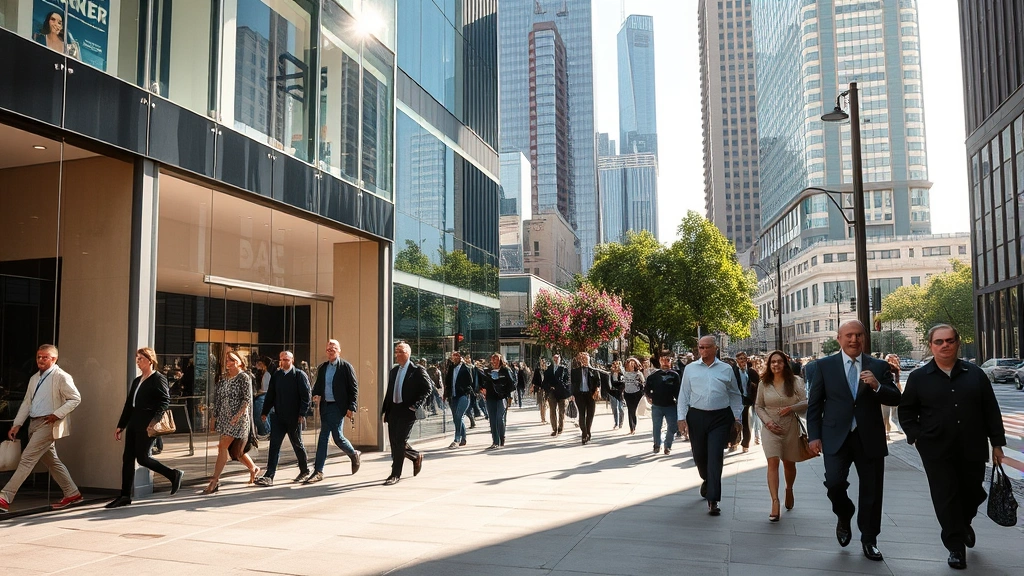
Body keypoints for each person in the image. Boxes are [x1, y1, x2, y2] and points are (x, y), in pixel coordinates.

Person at [898, 324, 1006, 570]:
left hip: (973, 446)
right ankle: (955, 546)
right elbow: (906, 411)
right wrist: (917, 436)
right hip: (935, 449)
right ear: (931, 346)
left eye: (949, 340)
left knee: (972, 492)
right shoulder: (918, 377)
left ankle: (964, 522)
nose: (944, 345)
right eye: (939, 342)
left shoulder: (975, 374)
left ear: (957, 342)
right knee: (945, 496)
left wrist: (997, 443)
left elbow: (990, 410)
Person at [806, 320, 901, 562]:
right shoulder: (824, 366)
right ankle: (844, 513)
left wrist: (877, 386)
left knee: (872, 491)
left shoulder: (878, 367)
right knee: (834, 483)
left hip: (869, 438)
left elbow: (896, 398)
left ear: (864, 338)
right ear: (839, 338)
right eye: (849, 335)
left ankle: (869, 540)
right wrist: (813, 436)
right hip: (835, 437)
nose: (854, 340)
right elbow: (815, 404)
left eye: (858, 335)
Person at [0, 345, 83, 513]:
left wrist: (57, 414)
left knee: (27, 459)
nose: (41, 360)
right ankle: (72, 493)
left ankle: (5, 497)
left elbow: (75, 398)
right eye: (39, 357)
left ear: (54, 359)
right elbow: (27, 403)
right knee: (53, 462)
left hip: (48, 424)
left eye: (45, 357)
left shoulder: (61, 376)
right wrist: (17, 424)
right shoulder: (34, 378)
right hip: (34, 423)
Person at [108, 348, 185, 508]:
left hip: (148, 424)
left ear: (150, 360)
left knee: (142, 458)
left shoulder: (158, 378)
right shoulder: (137, 380)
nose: (138, 361)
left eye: (141, 358)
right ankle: (124, 496)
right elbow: (129, 404)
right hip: (134, 422)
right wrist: (121, 425)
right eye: (137, 358)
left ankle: (173, 474)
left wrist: (155, 420)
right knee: (127, 458)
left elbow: (164, 400)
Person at [677, 336, 742, 516]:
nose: (703, 351)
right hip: (697, 416)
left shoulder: (726, 369)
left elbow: (735, 395)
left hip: (720, 417)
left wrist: (737, 418)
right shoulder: (690, 369)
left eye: (707, 348)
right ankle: (707, 479)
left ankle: (713, 499)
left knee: (715, 456)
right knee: (699, 456)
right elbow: (683, 395)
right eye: (701, 348)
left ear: (715, 349)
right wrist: (681, 418)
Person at [755, 350, 809, 521]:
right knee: (772, 462)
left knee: (789, 463)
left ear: (785, 364)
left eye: (779, 362)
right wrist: (767, 422)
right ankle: (775, 501)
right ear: (769, 365)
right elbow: (758, 406)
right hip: (770, 427)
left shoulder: (795, 381)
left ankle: (789, 489)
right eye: (772, 362)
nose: (776, 365)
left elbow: (806, 402)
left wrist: (791, 408)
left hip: (790, 427)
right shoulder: (764, 383)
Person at [203, 351, 259, 494]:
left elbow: (247, 399)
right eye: (227, 360)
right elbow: (218, 400)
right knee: (236, 452)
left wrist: (237, 415)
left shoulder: (244, 377)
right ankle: (253, 468)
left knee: (222, 447)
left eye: (232, 360)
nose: (228, 362)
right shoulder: (223, 379)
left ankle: (214, 481)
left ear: (239, 362)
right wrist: (214, 418)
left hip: (238, 420)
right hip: (224, 418)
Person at [307, 339, 361, 484]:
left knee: (329, 436)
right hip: (325, 405)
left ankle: (319, 470)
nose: (331, 351)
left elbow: (353, 389)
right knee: (334, 437)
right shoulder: (323, 367)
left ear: (339, 351)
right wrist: (315, 394)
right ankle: (352, 453)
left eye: (334, 348)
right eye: (329, 349)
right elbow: (318, 385)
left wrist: (351, 407)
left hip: (338, 406)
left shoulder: (345, 367)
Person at [254, 351, 312, 487]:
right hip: (278, 416)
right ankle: (269, 475)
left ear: (292, 360)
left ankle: (304, 470)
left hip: (294, 417)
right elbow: (271, 395)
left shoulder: (299, 375)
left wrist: (302, 414)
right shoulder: (277, 375)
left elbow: (306, 396)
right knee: (274, 446)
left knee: (297, 443)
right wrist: (265, 412)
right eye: (281, 360)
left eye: (286, 359)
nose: (284, 362)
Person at [382, 342, 432, 485]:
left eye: (400, 351)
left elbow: (427, 389)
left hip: (407, 410)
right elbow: (390, 392)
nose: (397, 354)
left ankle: (395, 474)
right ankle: (416, 456)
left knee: (400, 441)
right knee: (394, 442)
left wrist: (416, 405)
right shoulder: (394, 371)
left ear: (408, 353)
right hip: (393, 410)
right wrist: (385, 410)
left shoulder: (417, 370)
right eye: (396, 351)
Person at [477, 353, 515, 449]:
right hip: (490, 397)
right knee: (492, 420)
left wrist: (506, 394)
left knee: (500, 419)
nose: (494, 361)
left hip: (502, 398)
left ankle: (501, 438)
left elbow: (512, 384)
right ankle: (495, 441)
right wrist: (482, 389)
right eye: (493, 359)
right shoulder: (487, 371)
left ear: (500, 360)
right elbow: (481, 383)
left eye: (496, 359)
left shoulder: (505, 370)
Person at [646, 351, 681, 455]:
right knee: (657, 426)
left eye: (668, 360)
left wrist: (680, 403)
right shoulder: (653, 376)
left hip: (670, 405)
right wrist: (649, 396)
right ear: (660, 361)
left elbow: (678, 390)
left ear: (671, 361)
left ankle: (668, 445)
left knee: (673, 426)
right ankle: (657, 445)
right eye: (663, 360)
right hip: (657, 406)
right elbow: (647, 388)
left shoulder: (675, 375)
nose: (665, 362)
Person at [444, 350, 476, 449]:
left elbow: (470, 381)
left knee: (458, 415)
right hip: (453, 396)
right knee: (456, 418)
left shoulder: (466, 367)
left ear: (461, 357)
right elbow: (448, 382)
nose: (455, 357)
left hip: (463, 395)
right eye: (453, 356)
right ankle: (464, 438)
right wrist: (446, 394)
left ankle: (456, 439)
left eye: (457, 355)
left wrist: (464, 389)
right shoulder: (451, 368)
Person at [570, 353, 601, 445]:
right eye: (583, 359)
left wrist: (598, 389)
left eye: (586, 359)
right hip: (580, 395)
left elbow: (598, 382)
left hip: (590, 395)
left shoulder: (594, 371)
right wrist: (572, 395)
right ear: (580, 360)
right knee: (582, 414)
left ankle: (588, 431)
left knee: (590, 414)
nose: (584, 361)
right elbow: (572, 384)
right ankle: (584, 433)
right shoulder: (575, 372)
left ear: (589, 360)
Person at [734, 352, 760, 453]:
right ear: (737, 360)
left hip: (748, 400)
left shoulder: (751, 372)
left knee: (747, 422)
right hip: (736, 400)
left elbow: (758, 384)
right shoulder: (733, 371)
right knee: (736, 422)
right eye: (740, 359)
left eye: (744, 358)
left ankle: (746, 444)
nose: (743, 361)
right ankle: (735, 441)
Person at [544, 354, 570, 436]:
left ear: (560, 359)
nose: (555, 360)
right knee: (552, 411)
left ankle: (560, 427)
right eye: (554, 358)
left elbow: (567, 380)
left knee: (561, 411)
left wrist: (564, 388)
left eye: (557, 358)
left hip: (561, 392)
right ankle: (554, 429)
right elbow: (545, 381)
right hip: (552, 392)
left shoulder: (563, 369)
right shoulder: (549, 369)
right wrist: (548, 388)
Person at [621, 357, 646, 435]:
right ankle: (631, 428)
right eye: (629, 364)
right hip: (627, 393)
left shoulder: (638, 373)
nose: (631, 365)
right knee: (630, 410)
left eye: (632, 364)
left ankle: (634, 426)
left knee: (634, 410)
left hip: (636, 393)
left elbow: (644, 382)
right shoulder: (625, 373)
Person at [882, 354, 902, 439]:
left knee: (891, 414)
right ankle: (887, 432)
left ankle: (890, 431)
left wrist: (899, 393)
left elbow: (897, 383)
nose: (894, 361)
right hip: (885, 395)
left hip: (892, 394)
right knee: (885, 415)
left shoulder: (896, 370)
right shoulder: (883, 368)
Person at [253, 357, 274, 438]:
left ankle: (265, 430)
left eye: (260, 364)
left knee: (259, 407)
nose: (257, 366)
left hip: (264, 395)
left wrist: (258, 393)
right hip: (264, 395)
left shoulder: (267, 375)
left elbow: (265, 389)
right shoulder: (263, 374)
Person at [607, 360, 625, 430]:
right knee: (615, 408)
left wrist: (620, 389)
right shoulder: (610, 375)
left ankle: (621, 423)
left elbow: (623, 383)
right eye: (613, 366)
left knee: (621, 409)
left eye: (616, 365)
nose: (614, 367)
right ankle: (616, 423)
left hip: (620, 392)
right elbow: (608, 384)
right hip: (612, 392)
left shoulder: (621, 374)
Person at [532, 358, 548, 424]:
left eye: (544, 361)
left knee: (545, 404)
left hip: (546, 389)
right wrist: (533, 387)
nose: (543, 363)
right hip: (540, 389)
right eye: (542, 361)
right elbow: (534, 380)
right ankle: (543, 418)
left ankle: (544, 417)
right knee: (542, 404)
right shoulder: (537, 370)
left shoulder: (547, 370)